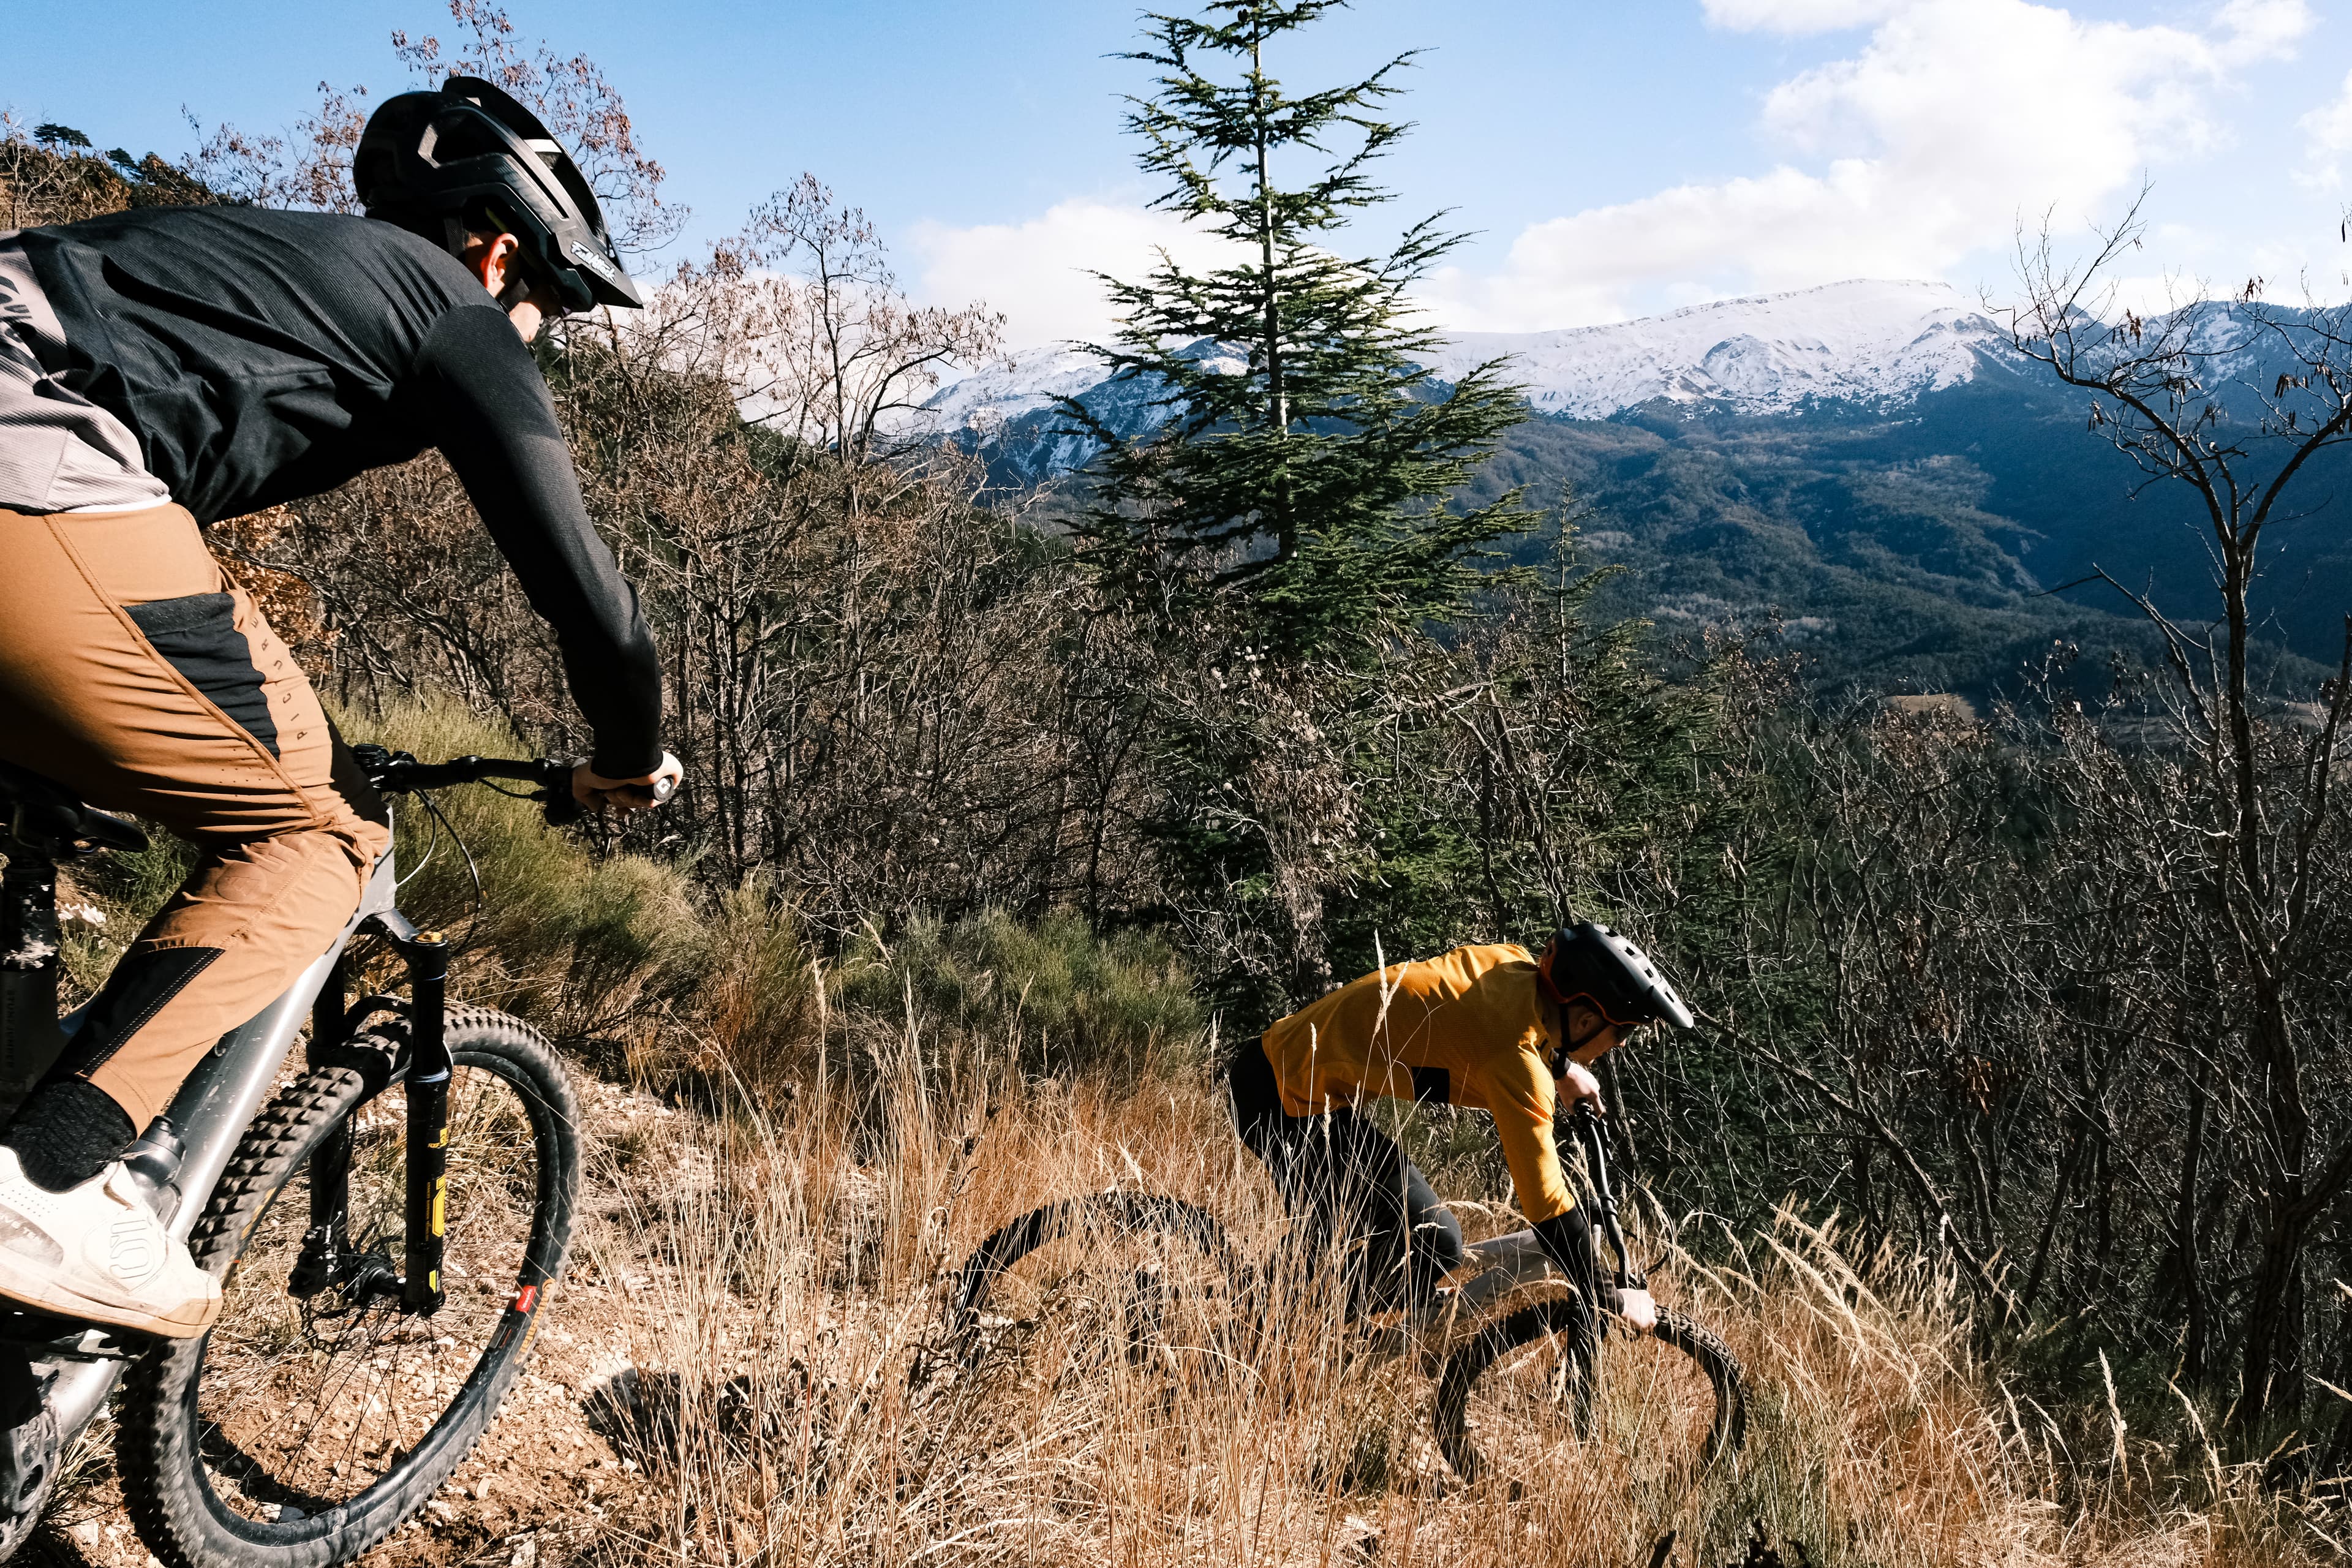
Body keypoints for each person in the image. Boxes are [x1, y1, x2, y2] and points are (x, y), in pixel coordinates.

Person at [0, 77, 681, 1338]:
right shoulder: (452, 308)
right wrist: (628, 757)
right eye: (554, 306)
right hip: (32, 452)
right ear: (495, 248)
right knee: (316, 832)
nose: (542, 336)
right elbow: (596, 608)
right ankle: (46, 1180)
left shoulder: (234, 268)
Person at [1229, 921, 1694, 1331]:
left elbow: (1492, 1022)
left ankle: (1306, 1303)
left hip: (1286, 1073)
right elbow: (1545, 1202)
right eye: (1622, 1032)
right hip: (1282, 1101)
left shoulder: (1512, 965)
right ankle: (1275, 1332)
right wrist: (1605, 1292)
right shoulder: (1515, 1065)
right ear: (1587, 1019)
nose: (1621, 1046)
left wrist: (1561, 1065)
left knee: (1380, 1236)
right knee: (1435, 1243)